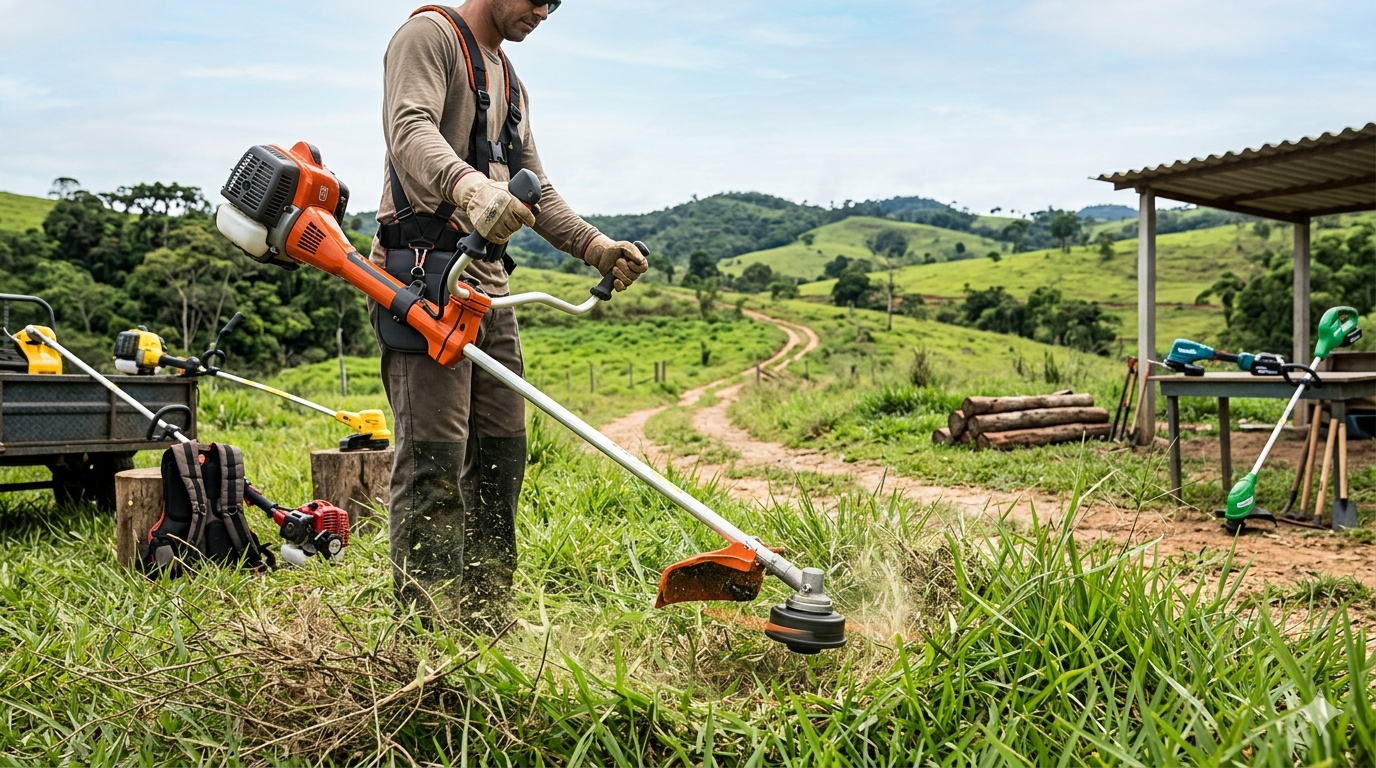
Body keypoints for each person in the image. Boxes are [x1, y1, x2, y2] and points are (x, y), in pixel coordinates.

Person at [371, 0, 648, 625]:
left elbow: (534, 185)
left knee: (502, 457)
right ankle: (429, 634)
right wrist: (470, 188)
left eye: (557, 2)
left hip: (489, 288)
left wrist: (595, 246)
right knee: (434, 463)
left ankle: (487, 619)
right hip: (425, 277)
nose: (545, 11)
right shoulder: (428, 37)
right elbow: (409, 130)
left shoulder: (509, 78)